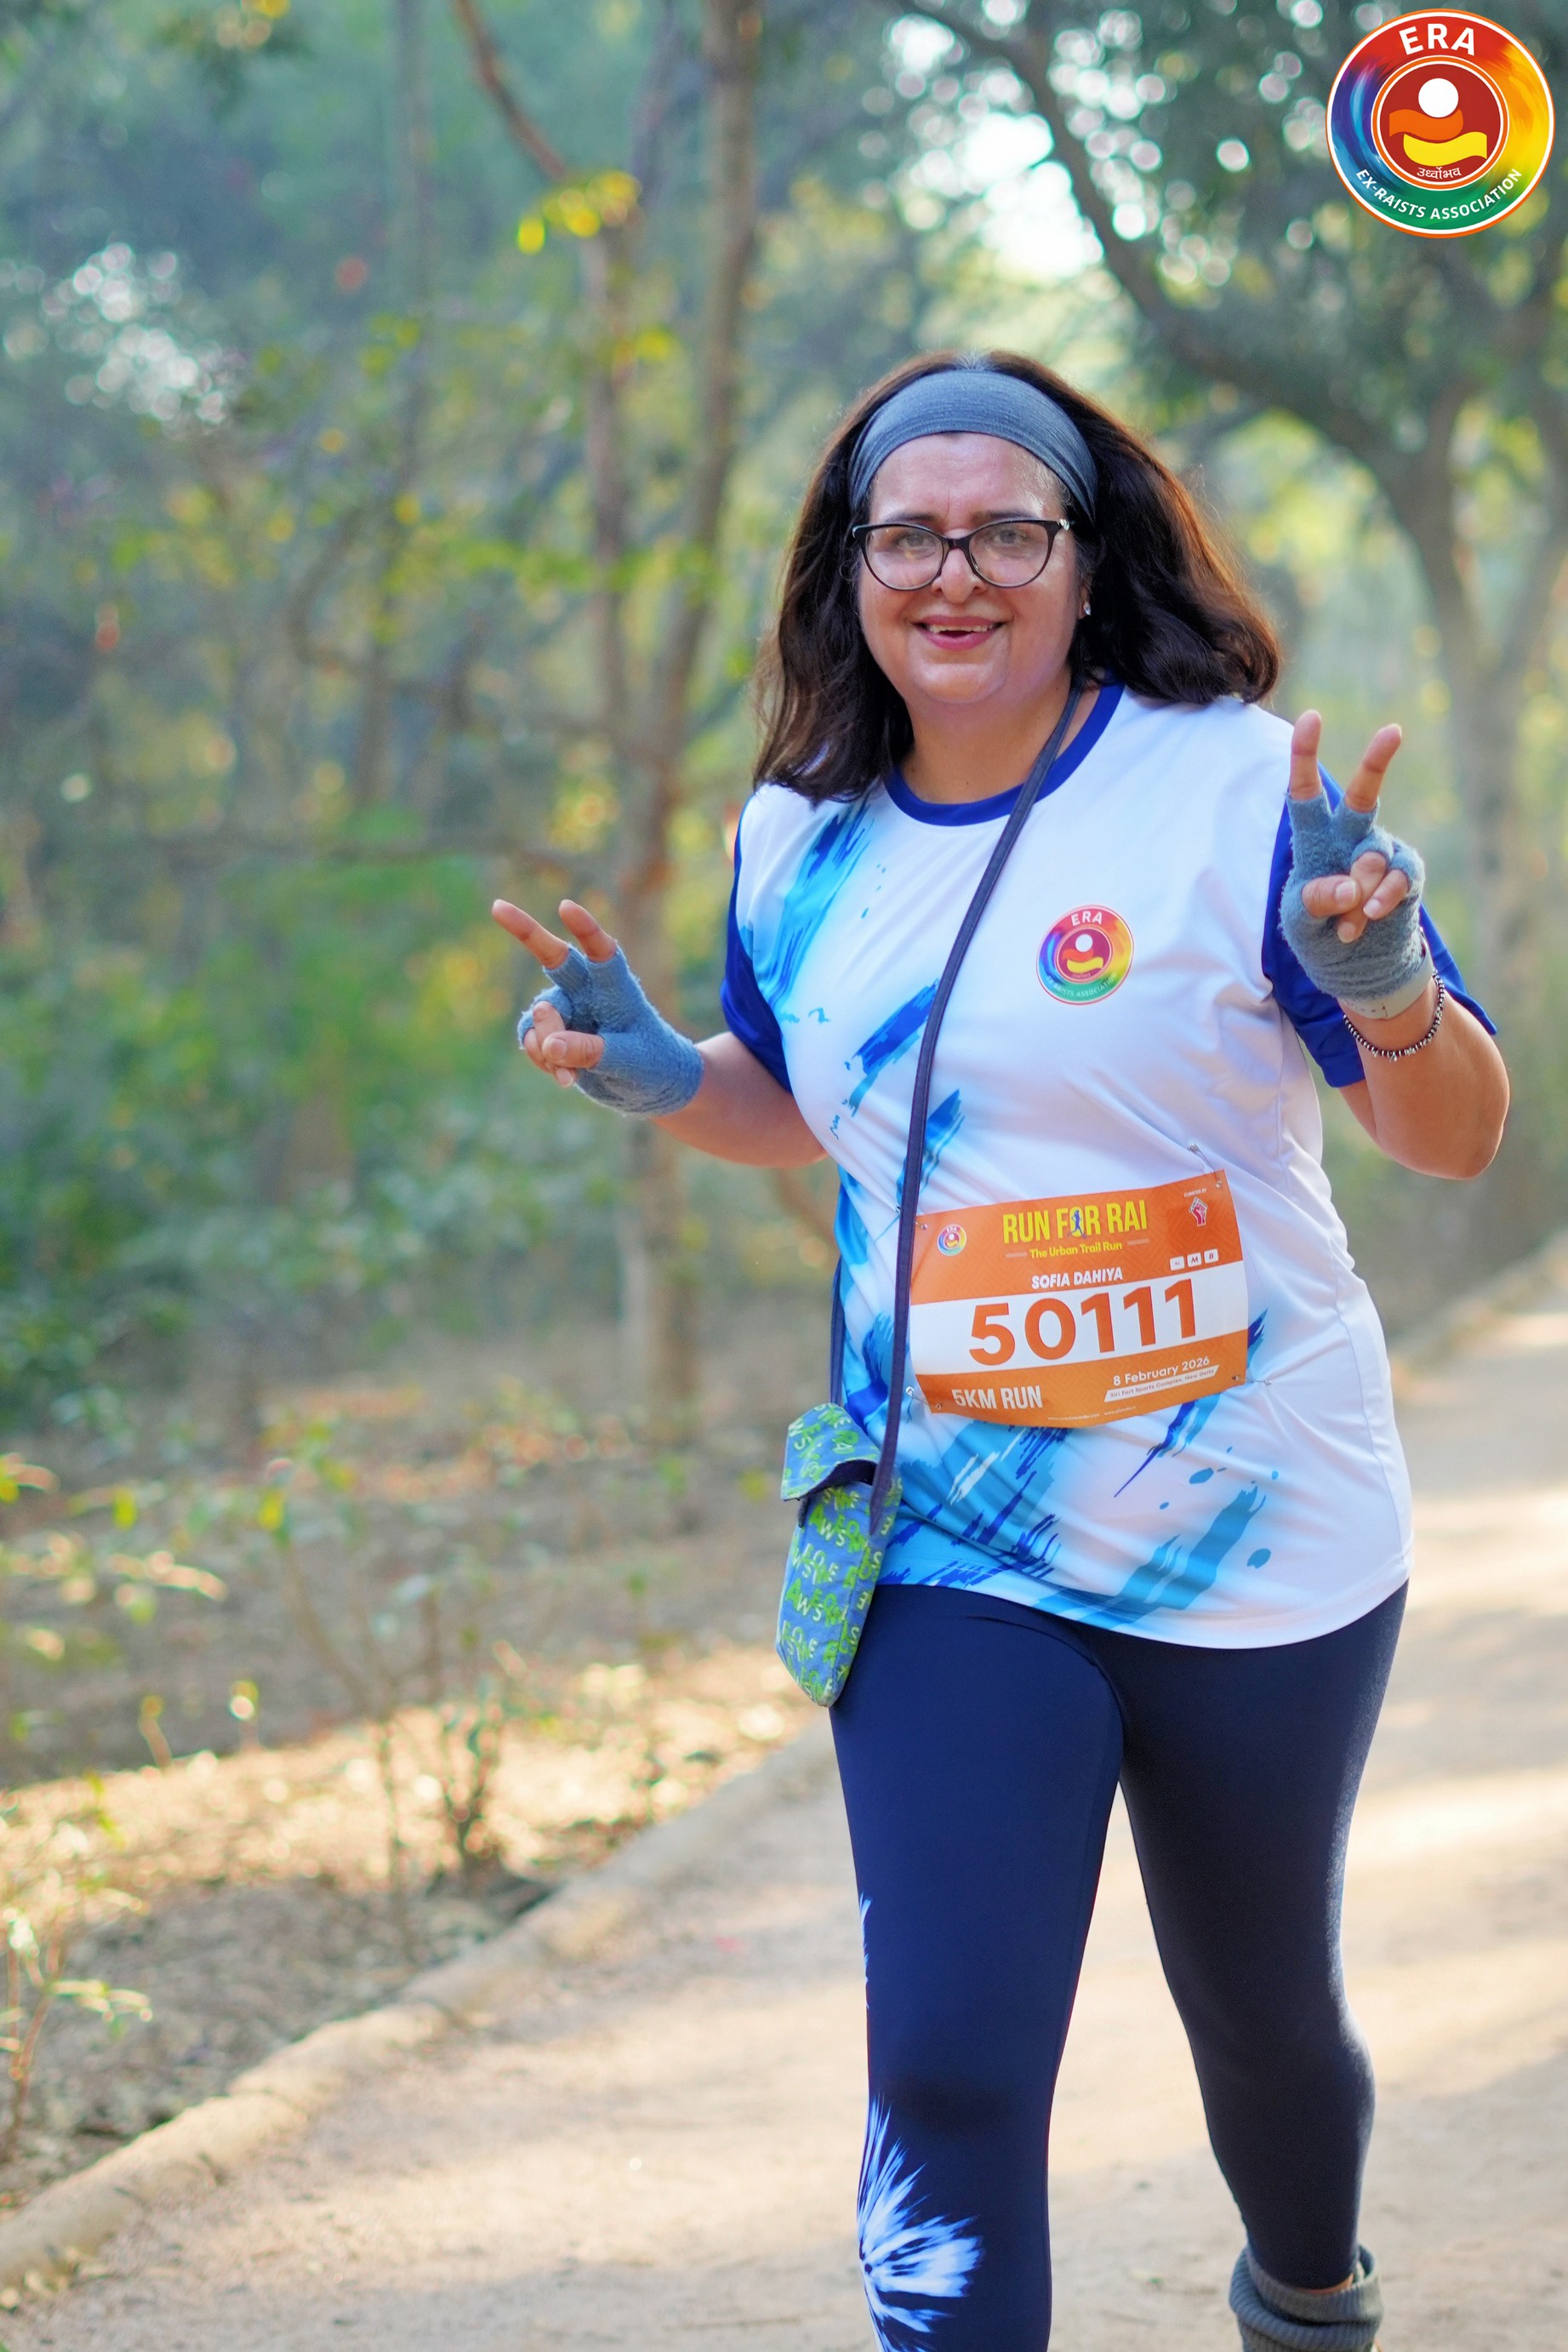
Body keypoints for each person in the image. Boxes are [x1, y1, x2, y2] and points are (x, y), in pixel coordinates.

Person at [492, 352, 1509, 2352]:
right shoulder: (796, 835)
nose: (952, 573)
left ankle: (1308, 2290)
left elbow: (1452, 1136)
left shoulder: (1233, 790)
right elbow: (803, 1096)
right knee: (948, 2059)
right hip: (951, 1533)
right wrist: (661, 1073)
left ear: (1084, 554)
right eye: (909, 535)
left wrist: (1386, 981)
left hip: (1257, 1522)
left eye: (1004, 532)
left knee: (1263, 2022)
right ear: (848, 566)